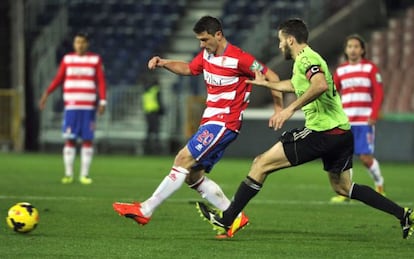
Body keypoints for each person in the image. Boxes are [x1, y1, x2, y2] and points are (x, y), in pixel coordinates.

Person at [196, 18, 413, 239]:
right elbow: (294, 84)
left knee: (260, 163)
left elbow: (320, 84)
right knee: (343, 188)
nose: (279, 46)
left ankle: (227, 219)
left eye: (281, 41)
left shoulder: (306, 58)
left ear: (290, 40)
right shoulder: (305, 60)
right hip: (341, 133)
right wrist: (267, 84)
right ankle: (404, 214)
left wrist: (288, 110)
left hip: (322, 133)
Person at [112, 16, 283, 238]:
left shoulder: (240, 58)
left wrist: (279, 109)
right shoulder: (207, 55)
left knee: (182, 159)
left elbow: (273, 76)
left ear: (218, 35)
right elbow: (189, 68)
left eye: (204, 39)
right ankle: (235, 218)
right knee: (192, 175)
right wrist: (164, 63)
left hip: (224, 122)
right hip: (211, 121)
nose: (201, 44)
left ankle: (146, 209)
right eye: (199, 40)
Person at [39, 32, 107, 185]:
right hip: (71, 106)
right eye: (77, 42)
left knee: (87, 140)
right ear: (74, 44)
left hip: (88, 107)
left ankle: (84, 175)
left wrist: (103, 101)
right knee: (70, 139)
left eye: (82, 42)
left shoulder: (95, 59)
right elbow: (58, 78)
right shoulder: (68, 59)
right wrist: (47, 93)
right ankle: (68, 174)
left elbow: (101, 81)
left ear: (87, 44)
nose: (80, 45)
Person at [330, 34, 385, 203]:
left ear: (362, 50)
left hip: (364, 121)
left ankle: (379, 184)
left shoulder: (370, 68)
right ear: (346, 50)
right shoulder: (341, 70)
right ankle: (345, 192)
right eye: (349, 46)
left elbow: (379, 92)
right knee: (344, 157)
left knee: (365, 157)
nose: (352, 49)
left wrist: (374, 114)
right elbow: (332, 93)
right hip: (345, 121)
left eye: (355, 46)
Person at [142, 78, 164, 154]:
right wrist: (162, 110)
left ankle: (146, 147)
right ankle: (156, 148)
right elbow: (159, 101)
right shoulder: (155, 90)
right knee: (156, 131)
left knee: (149, 131)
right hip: (154, 112)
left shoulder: (145, 91)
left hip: (147, 113)